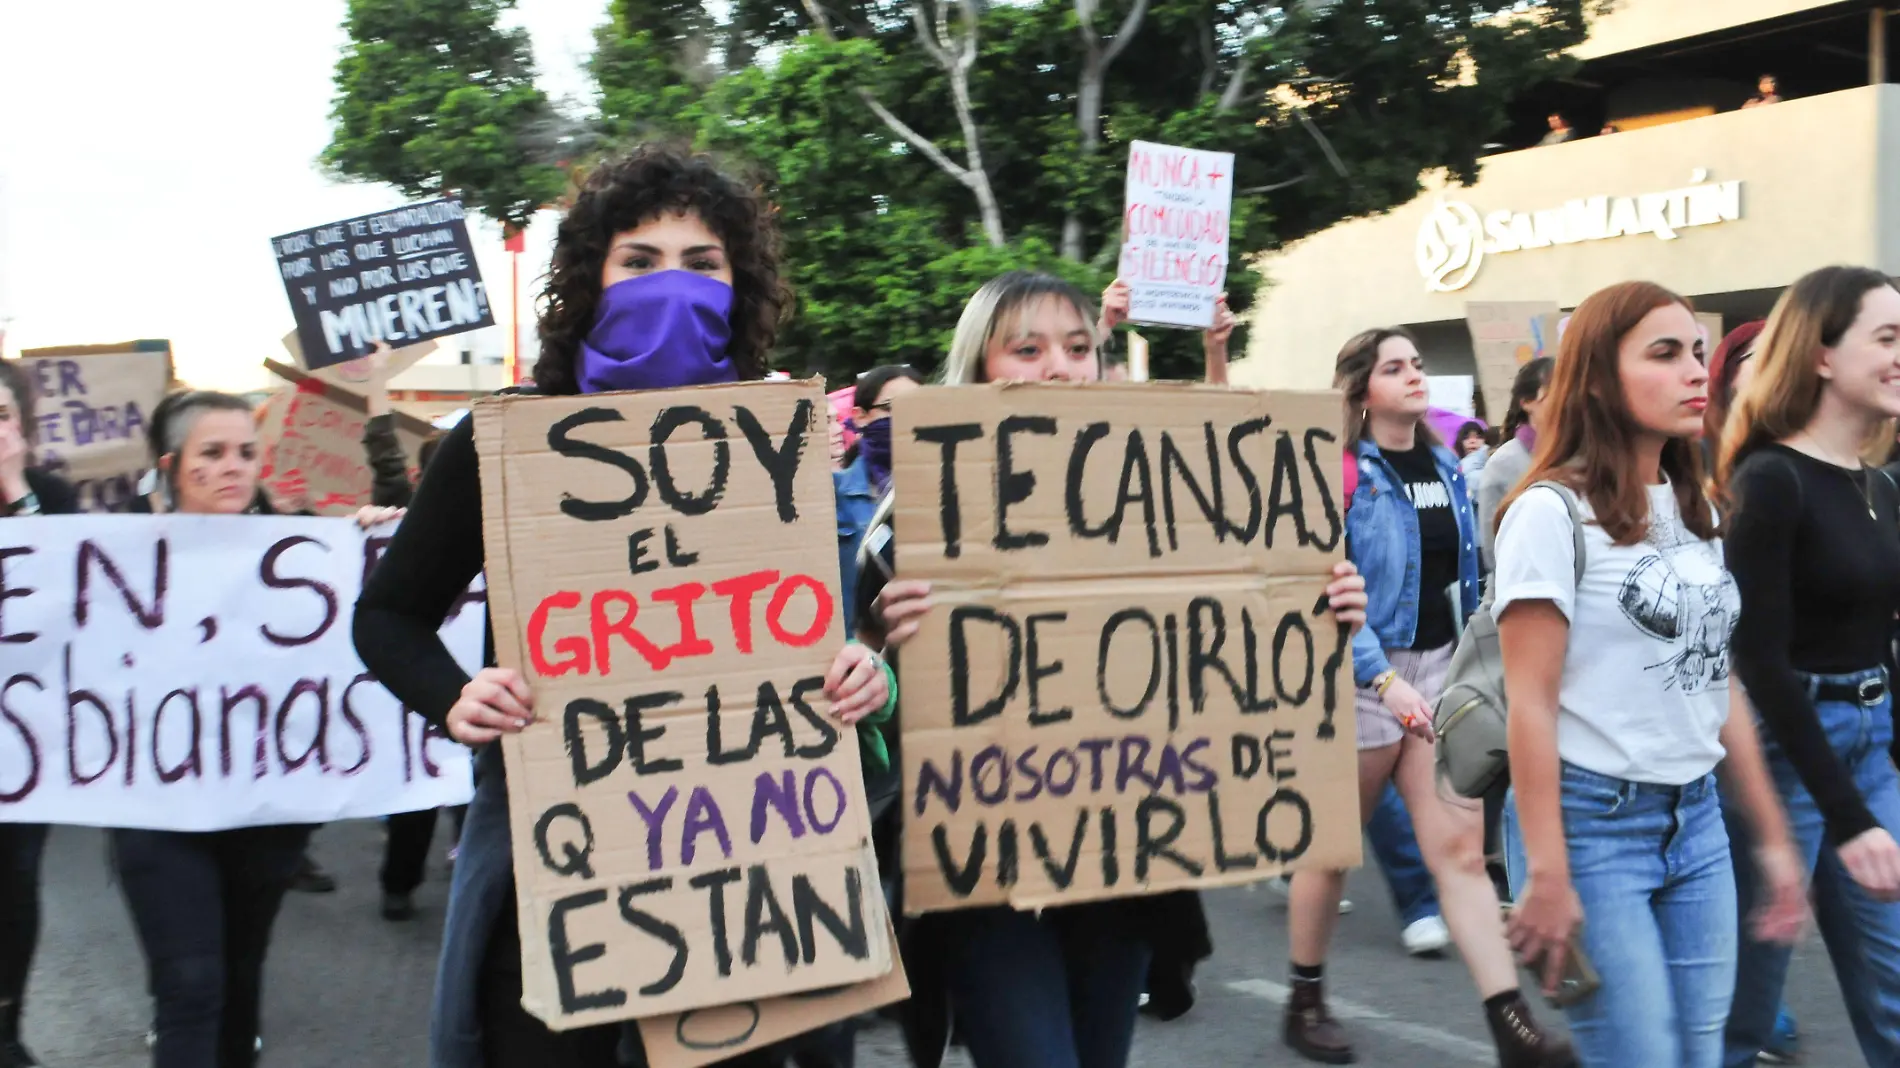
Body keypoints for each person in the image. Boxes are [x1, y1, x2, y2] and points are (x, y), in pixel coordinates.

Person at [353, 145, 891, 1068]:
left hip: (743, 871)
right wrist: (451, 696)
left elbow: (817, 635)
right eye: (640, 263)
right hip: (557, 870)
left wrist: (861, 673)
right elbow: (388, 616)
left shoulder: (782, 448)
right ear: (592, 278)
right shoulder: (503, 444)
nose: (671, 289)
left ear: (741, 286)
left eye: (702, 265)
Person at [859, 271, 1368, 1068]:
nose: (1061, 368)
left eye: (1077, 348)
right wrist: (886, 657)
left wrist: (1320, 602)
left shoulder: (1163, 507)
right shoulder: (910, 533)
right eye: (1027, 349)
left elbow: (1237, 627)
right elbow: (870, 735)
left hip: (1126, 871)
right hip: (990, 884)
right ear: (979, 366)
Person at [1493, 281, 1806, 1067]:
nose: (1696, 372)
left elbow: (1715, 679)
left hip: (1697, 825)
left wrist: (1770, 838)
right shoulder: (1550, 512)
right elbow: (1528, 705)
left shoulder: (1694, 504)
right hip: (1593, 827)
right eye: (1664, 354)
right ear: (1597, 377)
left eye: (1697, 352)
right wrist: (1550, 873)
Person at [1281, 327, 1570, 1067]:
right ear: (1361, 387)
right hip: (1363, 674)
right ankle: (1305, 995)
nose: (1415, 375)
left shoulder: (1446, 463)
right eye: (1395, 366)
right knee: (1334, 847)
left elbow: (1468, 572)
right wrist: (1383, 677)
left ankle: (1511, 1024)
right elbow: (1332, 586)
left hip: (1442, 669)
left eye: (1416, 364)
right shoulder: (1343, 470)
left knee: (1462, 857)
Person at [111, 390, 338, 1067]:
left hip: (263, 814)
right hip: (158, 815)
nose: (235, 468)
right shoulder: (117, 558)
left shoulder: (300, 555)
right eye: (213, 454)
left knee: (241, 983)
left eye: (246, 453)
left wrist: (377, 535)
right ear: (173, 466)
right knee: (190, 986)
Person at [1716, 265, 1900, 1067]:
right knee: (1745, 1011)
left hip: (1873, 741)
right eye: (1887, 338)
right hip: (1787, 754)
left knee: (1895, 987)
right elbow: (1757, 658)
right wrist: (1849, 814)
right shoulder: (1771, 481)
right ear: (1821, 354)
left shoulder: (1879, 485)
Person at [1701, 318, 1804, 1065]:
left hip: (1801, 696)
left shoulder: (1819, 463)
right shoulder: (1710, 469)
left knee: (1776, 867)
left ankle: (1755, 1001)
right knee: (1748, 869)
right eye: (1751, 358)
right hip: (1731, 701)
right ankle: (1747, 1008)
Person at [349, 343, 464, 923]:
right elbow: (383, 450)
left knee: (474, 789)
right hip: (428, 696)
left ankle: (469, 865)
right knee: (414, 800)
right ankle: (400, 883)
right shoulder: (406, 512)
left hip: (483, 693)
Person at [0, 360, 79, 1068]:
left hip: (20, 742)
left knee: (13, 884)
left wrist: (16, 493)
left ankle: (5, 1023)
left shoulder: (50, 497)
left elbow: (73, 597)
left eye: (0, 417)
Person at [838, 363, 922, 639]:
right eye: (892, 408)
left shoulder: (949, 492)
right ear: (860, 417)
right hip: (857, 664)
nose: (908, 418)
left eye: (919, 407)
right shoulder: (830, 495)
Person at [1477, 358, 1554, 574]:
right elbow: (1494, 554)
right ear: (1527, 401)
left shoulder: (1585, 457)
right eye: (1557, 388)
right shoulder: (1504, 464)